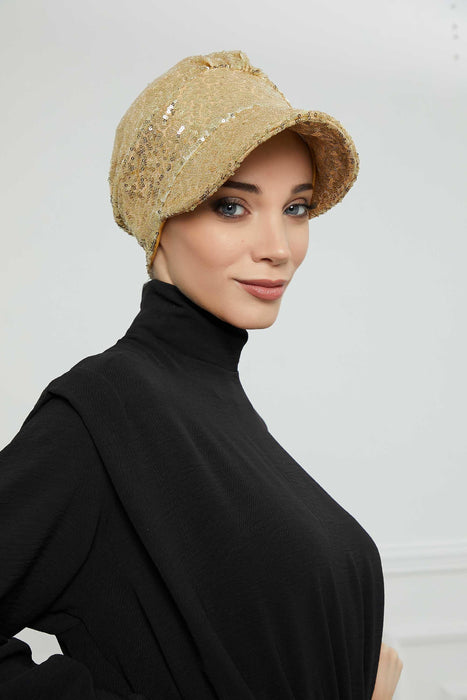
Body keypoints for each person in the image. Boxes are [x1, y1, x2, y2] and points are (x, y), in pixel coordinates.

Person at [0, 50, 402, 699]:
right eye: (231, 206)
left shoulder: (219, 408)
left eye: (296, 208)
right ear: (160, 219)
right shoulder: (104, 411)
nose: (278, 247)